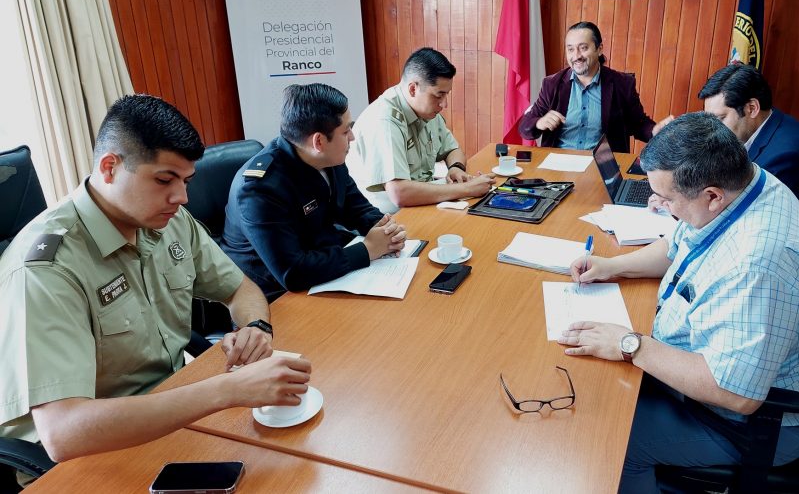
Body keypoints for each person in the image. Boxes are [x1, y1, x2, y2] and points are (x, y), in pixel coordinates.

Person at [0, 95, 311, 472]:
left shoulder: (167, 220)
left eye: (186, 181)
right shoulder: (45, 269)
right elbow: (64, 433)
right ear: (110, 167)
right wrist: (228, 390)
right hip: (86, 456)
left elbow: (238, 288)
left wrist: (255, 327)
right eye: (165, 180)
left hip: (172, 410)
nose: (181, 197)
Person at [558, 113, 799, 493]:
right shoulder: (743, 183)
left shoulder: (758, 264)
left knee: (610, 439)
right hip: (713, 367)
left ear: (711, 196)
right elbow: (678, 245)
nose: (658, 205)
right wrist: (612, 266)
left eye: (666, 198)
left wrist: (630, 344)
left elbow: (736, 394)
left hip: (756, 423)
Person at [221, 83, 407, 299]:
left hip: (325, 265)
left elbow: (355, 206)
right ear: (319, 141)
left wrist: (385, 229)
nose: (352, 137)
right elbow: (293, 273)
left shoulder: (330, 157)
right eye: (346, 131)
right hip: (274, 296)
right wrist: (367, 250)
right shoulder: (259, 189)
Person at [346, 47, 495, 213]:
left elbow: (453, 149)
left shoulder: (426, 110)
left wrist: (456, 168)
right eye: (438, 95)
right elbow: (399, 194)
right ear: (412, 89)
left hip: (420, 204)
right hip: (384, 218)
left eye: (447, 95)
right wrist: (468, 189)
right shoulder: (384, 121)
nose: (444, 104)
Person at [696, 64, 799, 242]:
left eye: (720, 119)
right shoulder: (769, 124)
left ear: (752, 108)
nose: (713, 130)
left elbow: (737, 212)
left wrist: (682, 203)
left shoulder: (786, 157)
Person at [519, 21, 670, 152]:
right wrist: (539, 122)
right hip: (559, 163)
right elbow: (525, 127)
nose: (576, 56)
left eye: (583, 48)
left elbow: (638, 124)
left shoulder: (622, 83)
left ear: (599, 49)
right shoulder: (552, 84)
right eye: (570, 49)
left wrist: (655, 131)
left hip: (602, 166)